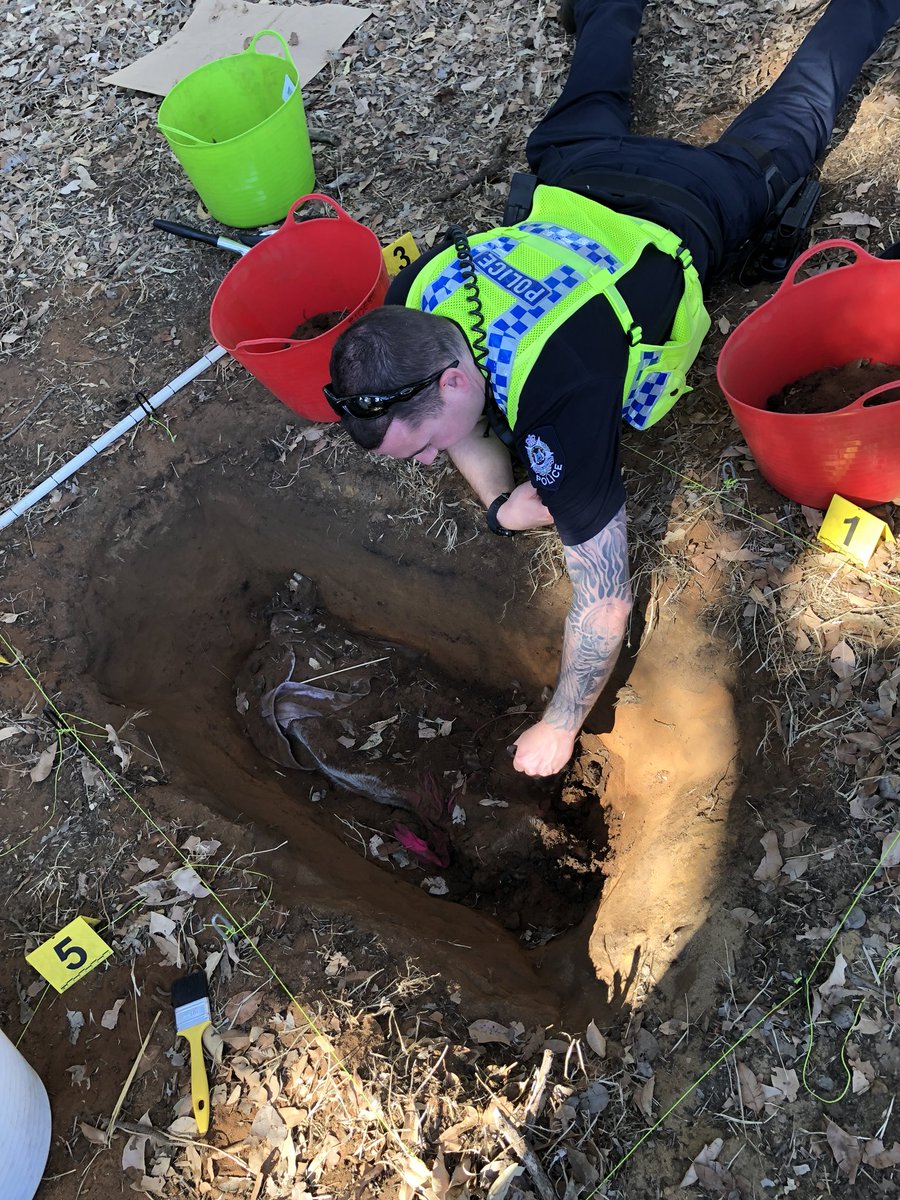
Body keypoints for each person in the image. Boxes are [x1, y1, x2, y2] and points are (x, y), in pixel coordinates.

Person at [324, 0, 900, 778]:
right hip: (579, 177)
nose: (431, 462)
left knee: (800, 106)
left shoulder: (559, 402)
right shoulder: (414, 300)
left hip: (698, 202)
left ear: (454, 377)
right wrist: (499, 505)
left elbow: (605, 598)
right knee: (591, 85)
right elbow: (458, 424)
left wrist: (561, 725)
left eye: (423, 446)